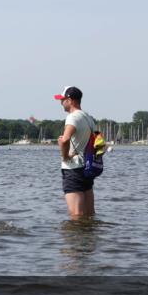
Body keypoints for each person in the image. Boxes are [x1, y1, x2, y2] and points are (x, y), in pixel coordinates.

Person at [55, 86, 98, 219]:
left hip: (73, 169)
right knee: (89, 214)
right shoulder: (88, 118)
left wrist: (65, 156)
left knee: (76, 215)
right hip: (87, 168)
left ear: (70, 100)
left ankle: (76, 233)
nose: (61, 102)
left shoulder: (72, 117)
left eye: (62, 100)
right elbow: (98, 142)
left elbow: (65, 140)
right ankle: (89, 232)